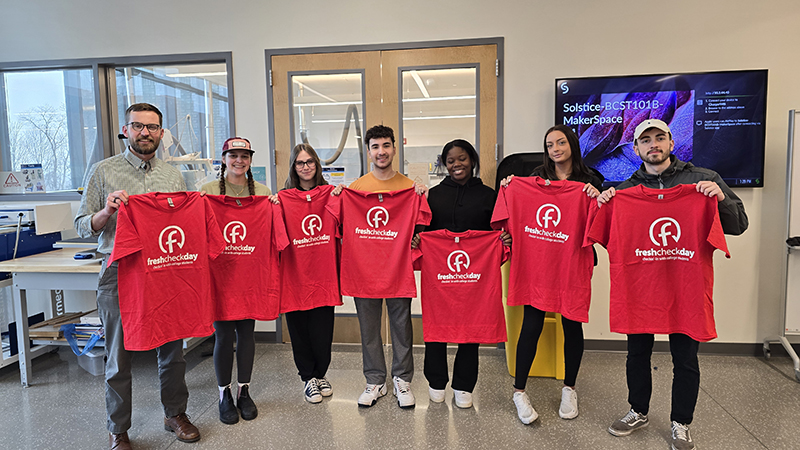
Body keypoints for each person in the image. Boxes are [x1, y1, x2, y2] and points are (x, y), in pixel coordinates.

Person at [598, 118, 748, 450]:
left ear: (671, 143)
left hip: (685, 287)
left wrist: (720, 197)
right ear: (635, 149)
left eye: (659, 138)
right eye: (646, 140)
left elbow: (739, 224)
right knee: (637, 354)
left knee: (685, 358)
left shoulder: (704, 180)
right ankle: (638, 410)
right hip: (641, 289)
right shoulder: (623, 192)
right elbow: (606, 237)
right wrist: (605, 203)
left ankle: (681, 422)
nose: (653, 144)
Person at [74, 103, 198, 450]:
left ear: (161, 133)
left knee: (173, 350)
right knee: (119, 355)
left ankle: (175, 413)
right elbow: (82, 226)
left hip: (165, 269)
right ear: (125, 130)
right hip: (120, 271)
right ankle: (118, 428)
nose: (145, 133)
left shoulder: (174, 176)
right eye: (138, 126)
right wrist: (106, 211)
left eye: (152, 127)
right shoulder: (103, 171)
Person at [501, 125, 601, 424]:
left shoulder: (590, 180)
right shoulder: (534, 179)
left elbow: (603, 221)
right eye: (549, 144)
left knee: (572, 323)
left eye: (560, 142)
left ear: (572, 144)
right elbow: (513, 206)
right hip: (539, 263)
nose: (555, 148)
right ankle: (519, 390)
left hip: (572, 262)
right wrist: (509, 186)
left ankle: (569, 387)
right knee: (531, 324)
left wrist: (598, 196)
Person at [411, 139, 511, 409]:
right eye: (451, 160)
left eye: (462, 158)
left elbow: (498, 232)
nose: (457, 164)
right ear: (444, 164)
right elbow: (421, 231)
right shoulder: (433, 195)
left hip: (475, 276)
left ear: (473, 160)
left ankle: (464, 385)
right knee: (436, 325)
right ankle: (435, 381)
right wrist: (419, 240)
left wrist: (502, 240)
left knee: (472, 327)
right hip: (440, 277)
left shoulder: (488, 195)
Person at [348, 125, 427, 408]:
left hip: (397, 268)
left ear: (394, 148)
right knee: (369, 329)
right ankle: (375, 381)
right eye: (375, 147)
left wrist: (420, 195)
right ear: (368, 152)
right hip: (364, 269)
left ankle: (402, 380)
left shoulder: (409, 188)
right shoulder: (355, 189)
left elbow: (420, 229)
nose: (381, 152)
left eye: (385, 146)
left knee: (401, 326)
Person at [200, 137, 271, 425]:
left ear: (250, 160)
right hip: (220, 274)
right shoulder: (206, 192)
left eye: (244, 156)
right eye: (233, 155)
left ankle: (244, 391)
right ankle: (223, 394)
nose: (239, 161)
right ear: (224, 158)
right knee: (223, 335)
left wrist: (276, 205)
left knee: (246, 334)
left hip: (249, 275)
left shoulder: (264, 193)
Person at [277, 143, 343, 404]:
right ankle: (308, 378)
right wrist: (272, 204)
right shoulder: (282, 199)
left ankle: (321, 374)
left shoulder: (331, 194)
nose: (305, 167)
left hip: (324, 275)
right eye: (299, 163)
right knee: (299, 331)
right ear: (293, 167)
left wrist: (341, 196)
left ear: (317, 165)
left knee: (322, 330)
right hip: (294, 275)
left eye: (309, 162)